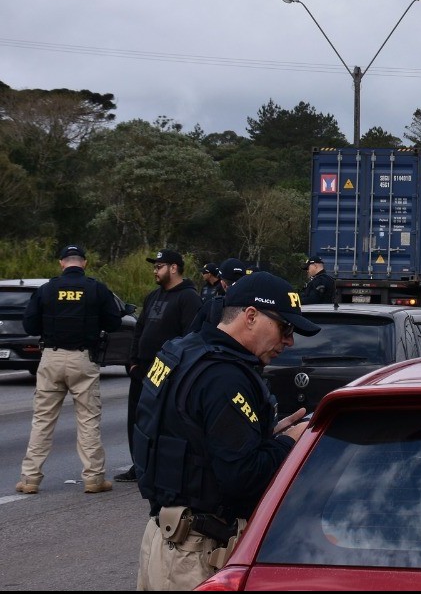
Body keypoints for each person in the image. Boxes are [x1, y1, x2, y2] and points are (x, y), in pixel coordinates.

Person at [133, 271, 320, 590]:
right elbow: (243, 477)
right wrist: (289, 443)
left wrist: (265, 436)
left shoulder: (184, 351)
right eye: (285, 328)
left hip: (163, 538)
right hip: (195, 553)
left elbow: (192, 437)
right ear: (250, 316)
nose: (288, 341)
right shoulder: (225, 377)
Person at [15, 244, 123, 495]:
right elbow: (114, 322)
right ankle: (94, 478)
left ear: (62, 263)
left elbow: (29, 325)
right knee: (88, 420)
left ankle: (30, 479)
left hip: (51, 359)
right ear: (84, 263)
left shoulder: (47, 289)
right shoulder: (96, 288)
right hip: (83, 360)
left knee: (42, 421)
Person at [114, 249, 201, 483]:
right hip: (141, 370)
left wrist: (175, 370)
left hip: (165, 371)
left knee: (162, 422)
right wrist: (132, 362)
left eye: (159, 266)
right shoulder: (153, 296)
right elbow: (139, 330)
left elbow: (189, 338)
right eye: (155, 266)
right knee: (137, 419)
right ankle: (138, 465)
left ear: (174, 268)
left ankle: (159, 467)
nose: (155, 270)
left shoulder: (188, 297)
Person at [185, 257, 252, 334]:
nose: (202, 274)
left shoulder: (211, 305)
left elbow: (192, 334)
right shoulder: (258, 306)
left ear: (223, 284)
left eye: (204, 273)